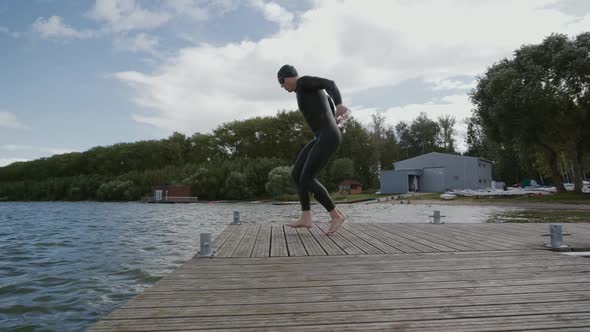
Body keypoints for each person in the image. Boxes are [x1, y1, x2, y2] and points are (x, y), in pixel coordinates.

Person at [277, 64, 350, 235]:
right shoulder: (305, 90)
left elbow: (330, 83)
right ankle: (306, 217)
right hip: (323, 136)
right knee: (297, 174)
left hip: (328, 136)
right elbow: (327, 105)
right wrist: (334, 118)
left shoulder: (303, 82)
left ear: (287, 78)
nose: (282, 86)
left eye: (281, 82)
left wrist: (339, 104)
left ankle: (335, 215)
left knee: (307, 178)